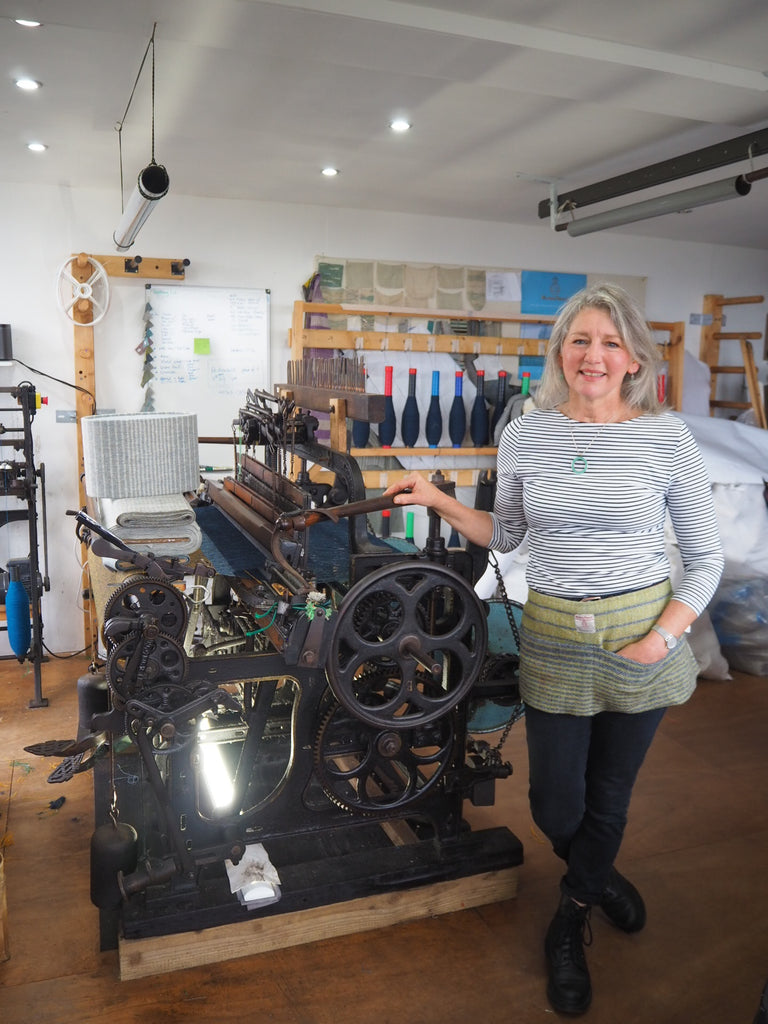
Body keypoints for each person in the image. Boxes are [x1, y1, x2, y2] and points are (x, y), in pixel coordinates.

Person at [384, 282, 724, 1016]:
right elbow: (506, 537)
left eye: (609, 342)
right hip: (554, 640)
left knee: (608, 796)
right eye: (579, 340)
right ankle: (599, 878)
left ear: (634, 357)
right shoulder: (526, 433)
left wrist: (665, 636)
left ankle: (570, 920)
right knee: (551, 803)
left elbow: (705, 559)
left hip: (642, 637)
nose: (593, 355)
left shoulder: (667, 438)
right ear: (560, 353)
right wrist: (439, 500)